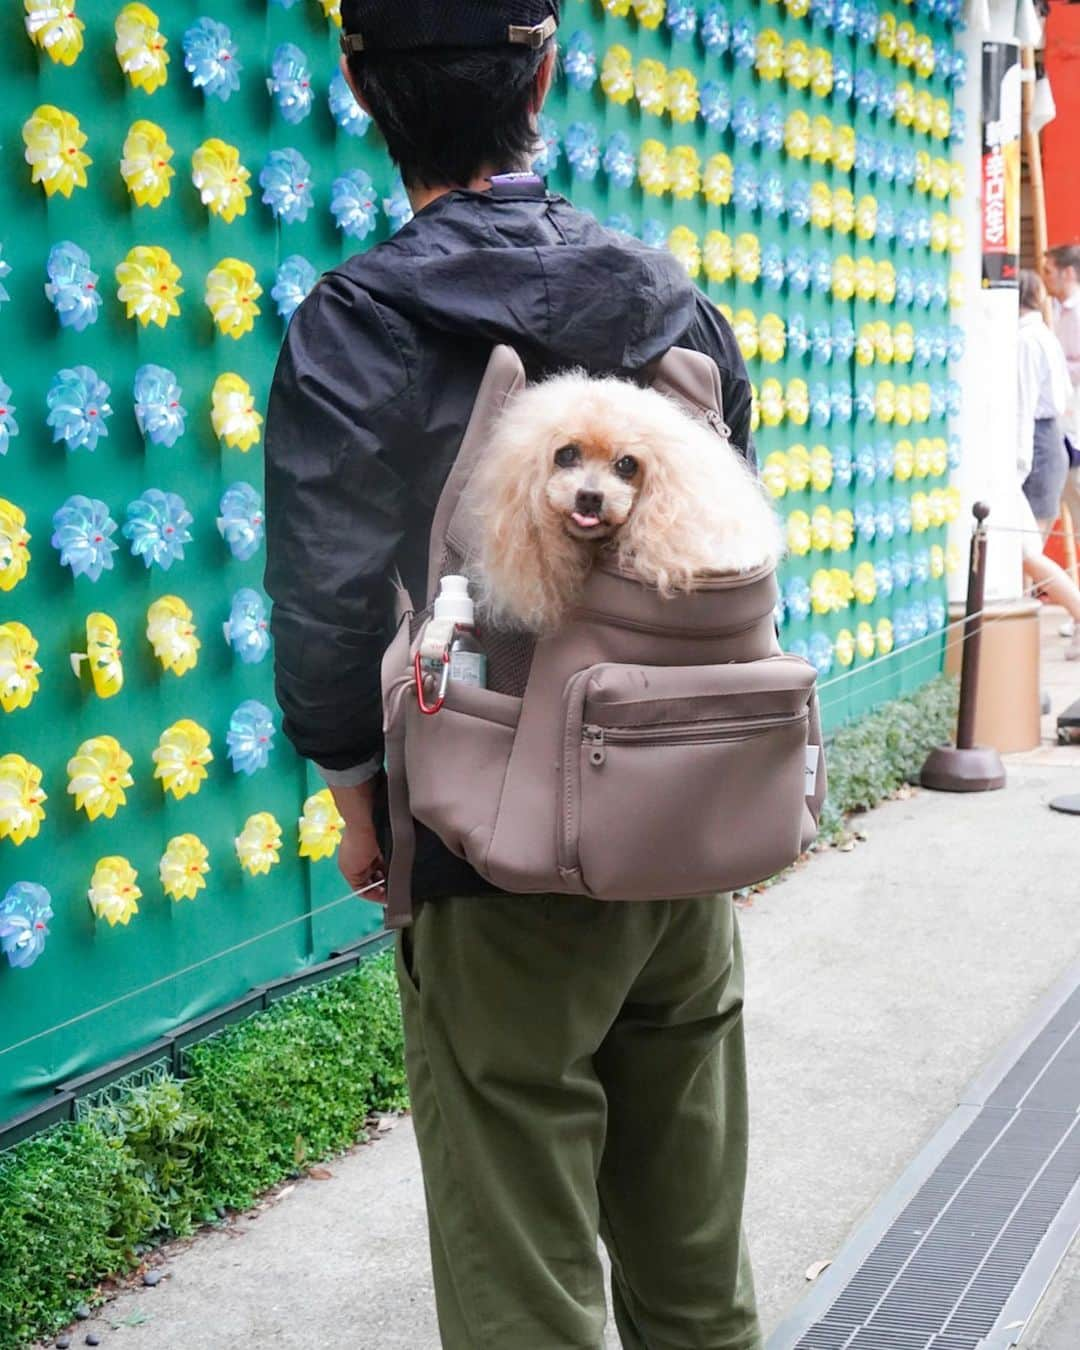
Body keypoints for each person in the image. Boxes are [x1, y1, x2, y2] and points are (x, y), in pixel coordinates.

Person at [263, 4, 764, 1348]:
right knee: (696, 1258)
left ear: (362, 87)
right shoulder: (669, 298)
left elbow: (321, 593)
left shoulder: (357, 325)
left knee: (521, 1280)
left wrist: (353, 785)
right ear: (545, 72)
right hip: (679, 829)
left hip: (490, 851)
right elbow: (732, 542)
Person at [1016, 268, 1080, 661]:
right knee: (1025, 552)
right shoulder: (1042, 334)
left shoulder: (1026, 340)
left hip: (1037, 446)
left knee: (1025, 551)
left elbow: (1024, 406)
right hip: (1049, 441)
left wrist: (1018, 465)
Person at [1040, 243, 1080, 637]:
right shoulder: (1061, 314)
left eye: (1050, 271)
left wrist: (1058, 363)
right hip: (1067, 437)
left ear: (1068, 272)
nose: (1046, 278)